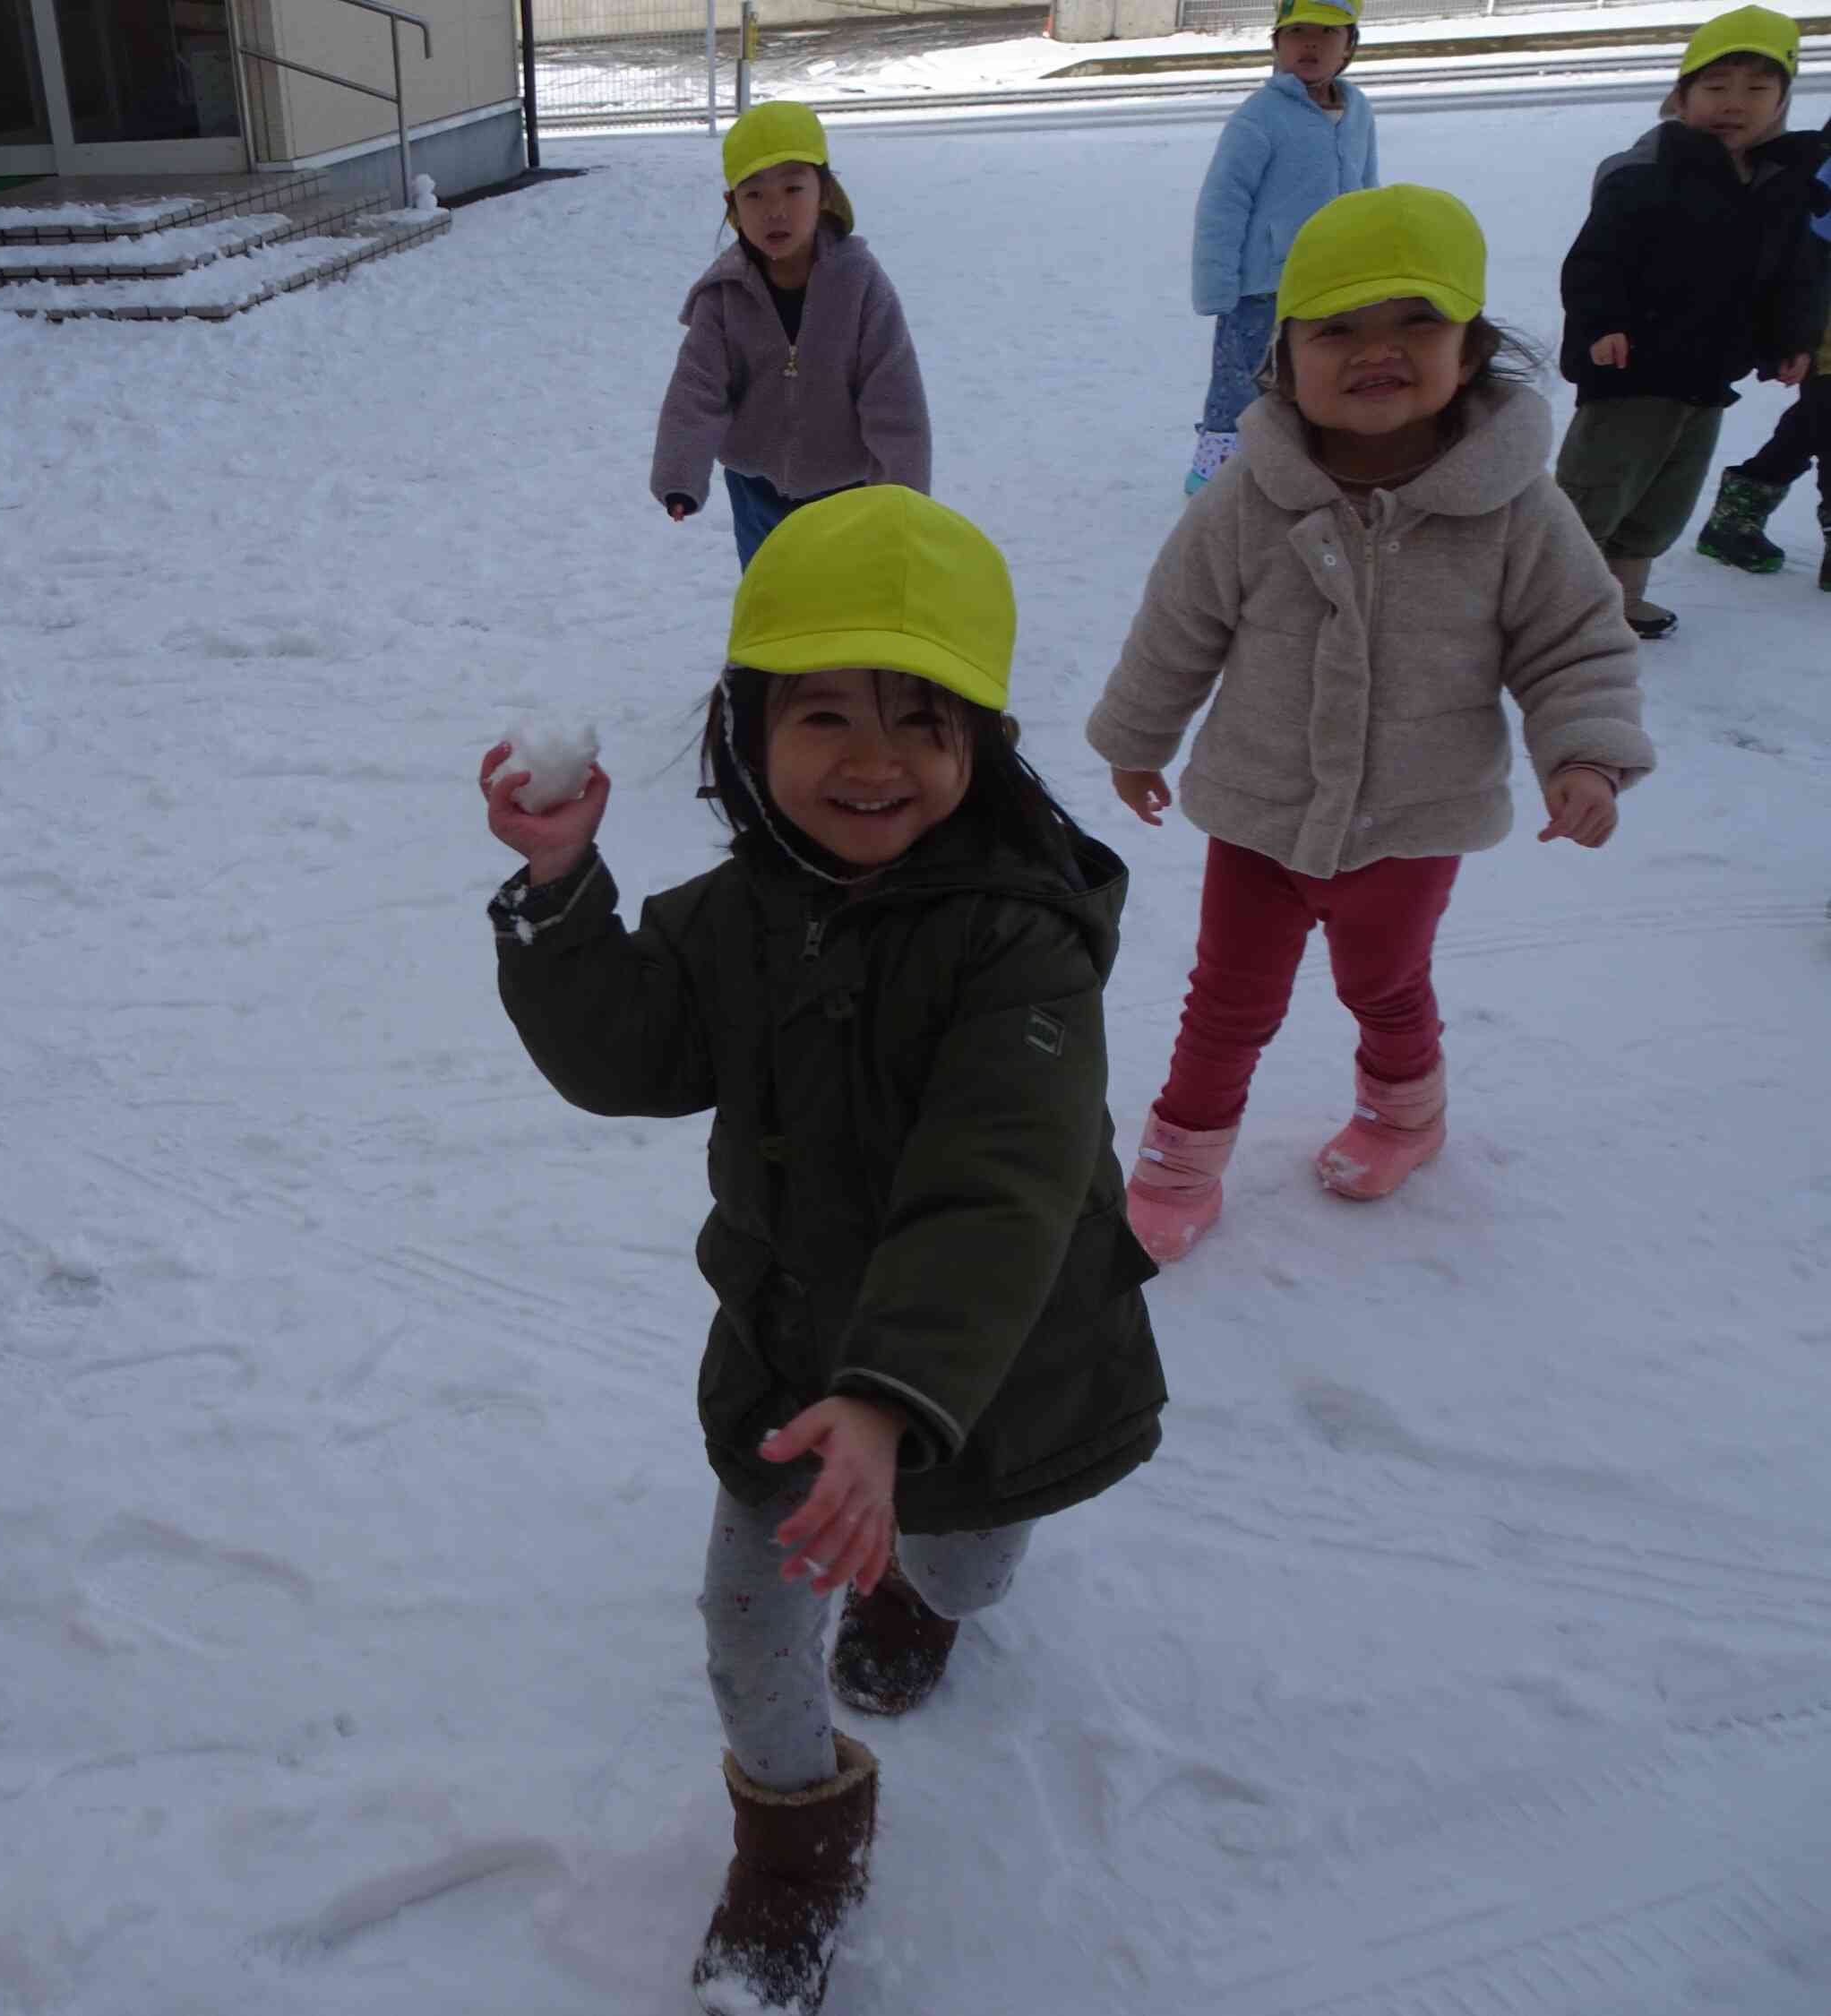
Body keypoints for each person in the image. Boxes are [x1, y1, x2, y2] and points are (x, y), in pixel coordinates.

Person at [484, 487, 1163, 2016]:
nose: (874, 759)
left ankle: (925, 1589)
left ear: (983, 741)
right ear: (749, 728)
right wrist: (560, 893)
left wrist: (897, 1395)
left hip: (988, 1369)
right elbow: (628, 1051)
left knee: (964, 1562)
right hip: (794, 1364)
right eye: (827, 714)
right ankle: (796, 1850)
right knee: (747, 1633)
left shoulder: (1023, 945)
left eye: (923, 719)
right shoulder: (744, 911)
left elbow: (1001, 1183)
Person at [1091, 187, 1657, 1264]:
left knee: (1382, 984)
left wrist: (1585, 754)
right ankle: (1178, 1163)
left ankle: (1404, 1117)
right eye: (1338, 328)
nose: (1376, 351)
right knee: (1226, 998)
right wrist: (1136, 737)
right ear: (1284, 360)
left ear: (1472, 349)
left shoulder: (1516, 509)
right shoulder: (1250, 498)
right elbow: (1177, 626)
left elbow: (1575, 641)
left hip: (1413, 819)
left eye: (1415, 322)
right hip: (1259, 809)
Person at [1555, 5, 1831, 634]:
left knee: (1664, 498)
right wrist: (1602, 325)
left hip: (1708, 375)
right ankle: (1549, 606)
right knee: (1594, 493)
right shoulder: (1646, 173)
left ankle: (1622, 600)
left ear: (1782, 102)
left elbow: (1795, 273)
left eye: (1757, 89)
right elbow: (1596, 260)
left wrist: (1792, 339)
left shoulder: (1779, 183)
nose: (1734, 103)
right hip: (1632, 367)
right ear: (1681, 98)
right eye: (1716, 86)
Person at [651, 100, 931, 568]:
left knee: (846, 596)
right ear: (732, 205)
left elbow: (894, 399)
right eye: (754, 195)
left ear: (824, 192)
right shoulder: (724, 295)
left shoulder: (860, 285)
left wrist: (904, 500)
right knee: (772, 596)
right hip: (755, 492)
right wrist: (679, 474)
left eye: (793, 188)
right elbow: (697, 390)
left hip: (848, 492)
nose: (775, 210)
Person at [1185, 0, 1380, 495]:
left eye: (1327, 33)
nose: (1310, 43)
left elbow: (1367, 190)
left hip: (1331, 281)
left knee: (1318, 376)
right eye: (1296, 32)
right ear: (1276, 44)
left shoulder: (1358, 110)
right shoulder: (1260, 118)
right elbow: (1223, 203)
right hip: (1262, 286)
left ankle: (1296, 463)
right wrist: (1216, 286)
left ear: (1349, 47)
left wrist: (1371, 262)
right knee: (1243, 380)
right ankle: (1214, 477)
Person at [1694, 107, 1831, 584]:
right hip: (1823, 334)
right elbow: (1805, 247)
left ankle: (1735, 517)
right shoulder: (1818, 168)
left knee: (1812, 425)